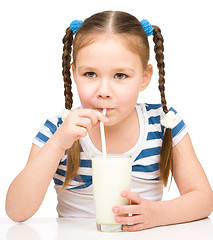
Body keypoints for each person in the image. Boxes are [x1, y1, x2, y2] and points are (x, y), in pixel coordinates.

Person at [5, 10, 213, 231]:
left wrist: (157, 214)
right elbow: (16, 211)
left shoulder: (163, 124)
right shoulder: (57, 130)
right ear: (74, 73)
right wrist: (58, 144)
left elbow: (203, 199)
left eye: (120, 75)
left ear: (144, 78)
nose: (104, 91)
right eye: (90, 74)